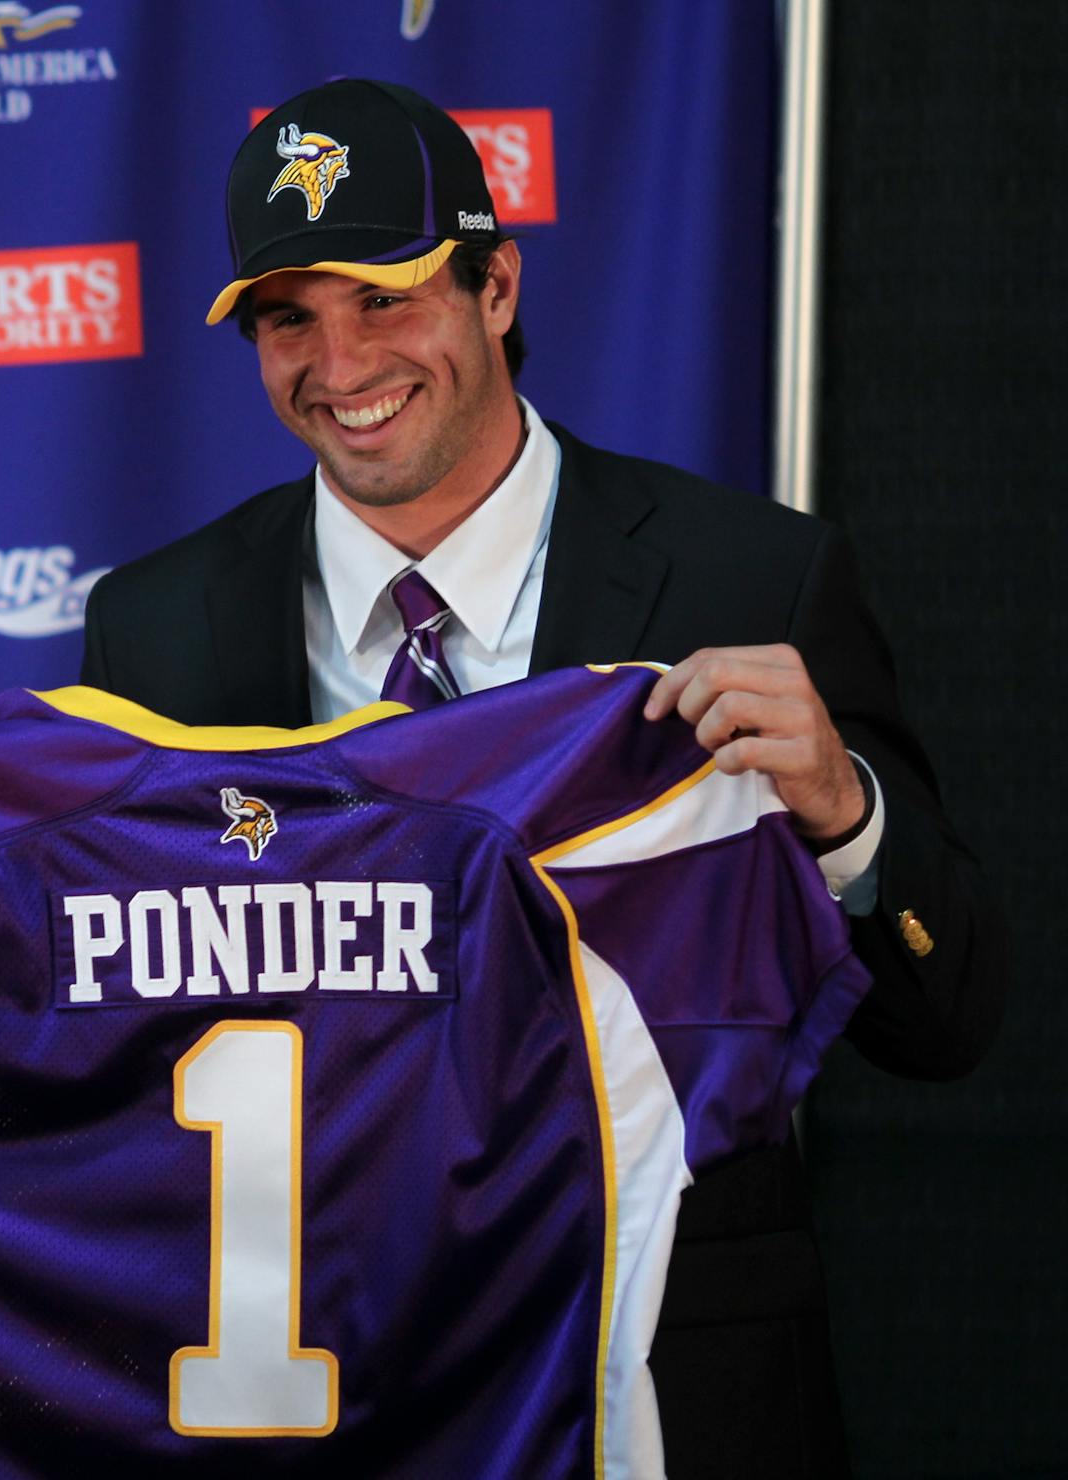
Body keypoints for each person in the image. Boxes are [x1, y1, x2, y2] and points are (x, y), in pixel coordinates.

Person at [77, 79, 1005, 1476]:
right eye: (288, 318)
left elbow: (952, 1020)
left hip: (664, 1384)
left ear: (496, 284)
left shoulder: (749, 575)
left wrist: (846, 817)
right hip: (310, 1398)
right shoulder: (152, 625)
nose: (339, 364)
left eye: (384, 298)